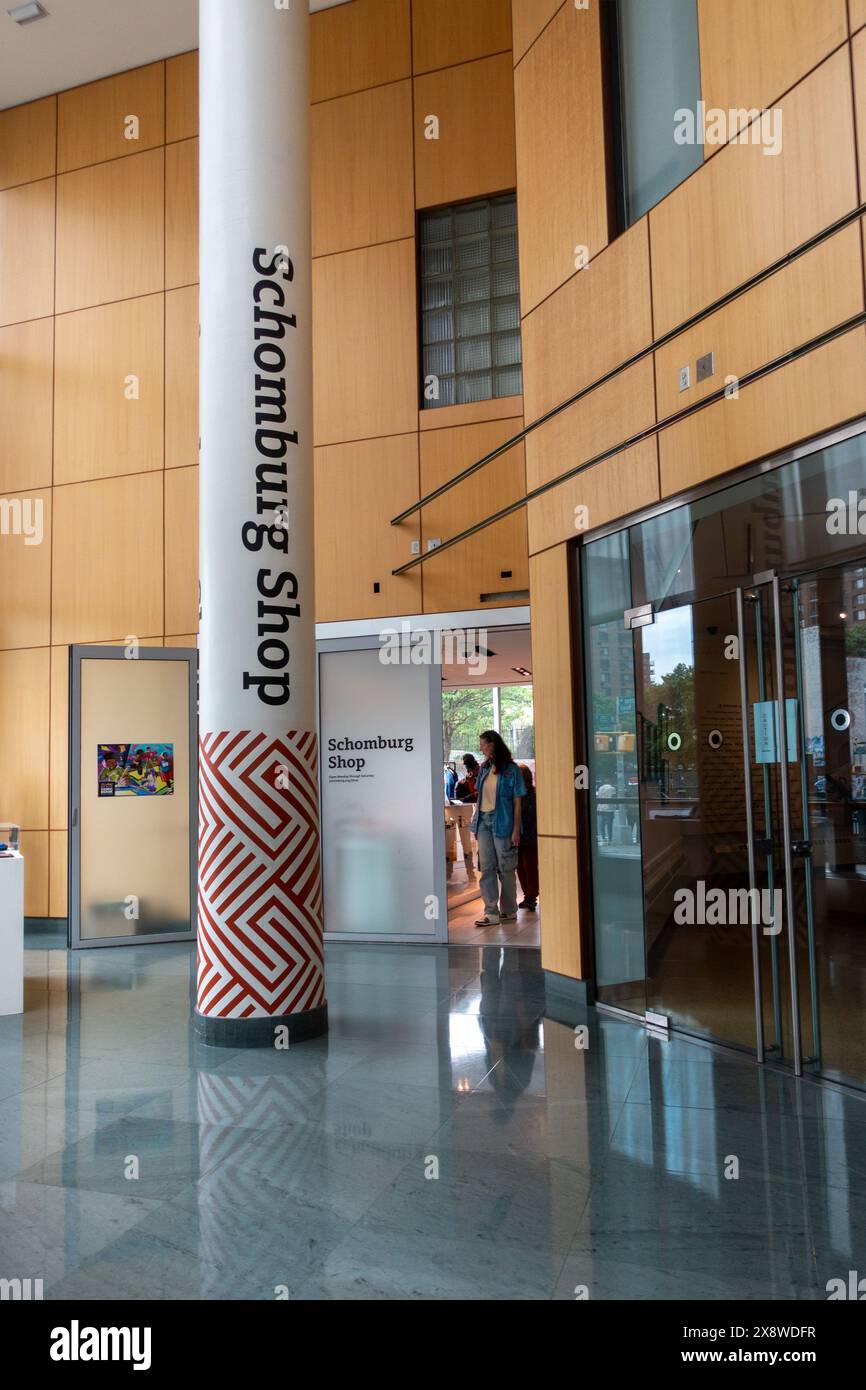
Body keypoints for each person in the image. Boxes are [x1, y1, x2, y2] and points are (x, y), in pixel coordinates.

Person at [471, 730, 523, 927]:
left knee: (506, 867)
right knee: (486, 867)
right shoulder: (484, 769)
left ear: (492, 744)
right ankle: (490, 912)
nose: (481, 748)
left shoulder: (512, 770)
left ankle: (508, 910)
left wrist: (516, 829)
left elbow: (518, 802)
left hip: (503, 821)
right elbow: (479, 796)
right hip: (483, 820)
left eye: (483, 744)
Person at [516, 763, 538, 911]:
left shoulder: (533, 795)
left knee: (529, 867)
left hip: (530, 836)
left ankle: (531, 896)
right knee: (520, 867)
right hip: (518, 835)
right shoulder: (517, 794)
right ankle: (528, 895)